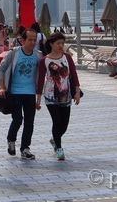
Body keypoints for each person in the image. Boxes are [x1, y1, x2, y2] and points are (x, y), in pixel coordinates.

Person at [0, 29, 42, 160]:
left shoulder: (38, 55)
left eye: (35, 40)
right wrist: (2, 87)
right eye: (30, 39)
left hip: (30, 93)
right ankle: (11, 140)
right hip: (15, 92)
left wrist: (39, 97)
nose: (33, 42)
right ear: (23, 40)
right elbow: (2, 69)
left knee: (30, 121)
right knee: (17, 119)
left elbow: (41, 76)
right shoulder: (14, 53)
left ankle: (25, 148)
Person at [36, 32, 81, 160]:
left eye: (62, 43)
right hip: (51, 96)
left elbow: (74, 74)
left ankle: (54, 139)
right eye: (58, 43)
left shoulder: (67, 57)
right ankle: (59, 148)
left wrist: (77, 92)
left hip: (66, 95)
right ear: (51, 44)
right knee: (56, 122)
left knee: (64, 124)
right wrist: (38, 99)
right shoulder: (44, 60)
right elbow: (40, 80)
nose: (61, 45)